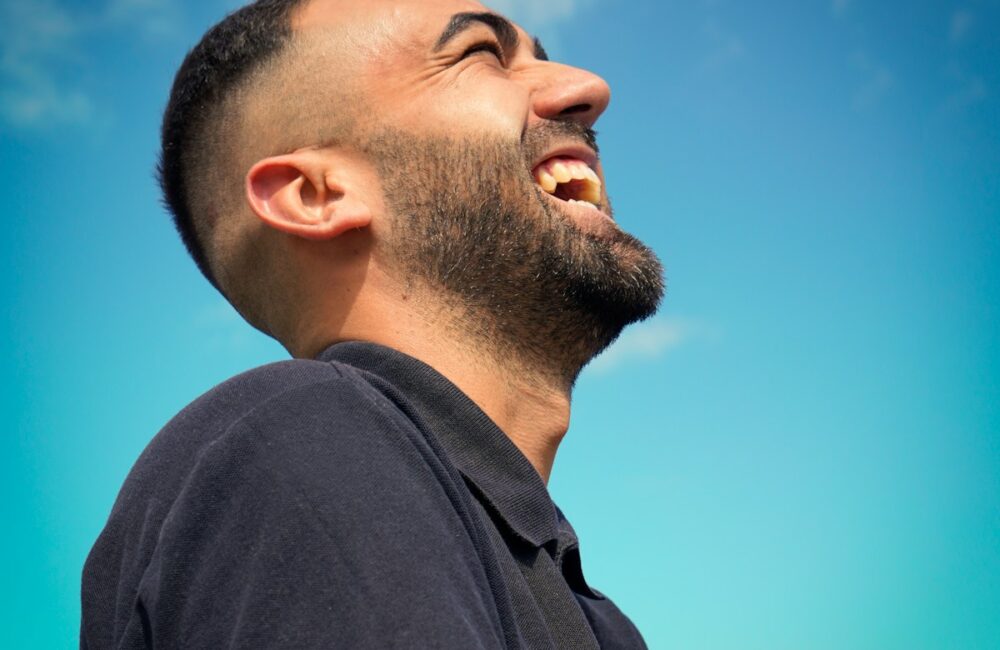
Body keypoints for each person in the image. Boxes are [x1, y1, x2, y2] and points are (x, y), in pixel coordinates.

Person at [81, 0, 665, 646]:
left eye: (542, 58)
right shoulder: (303, 436)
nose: (589, 88)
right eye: (479, 54)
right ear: (316, 195)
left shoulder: (590, 613)